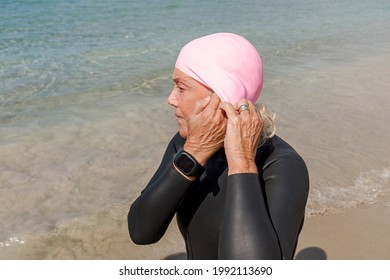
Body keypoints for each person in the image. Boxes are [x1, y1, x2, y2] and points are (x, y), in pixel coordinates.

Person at [128, 33, 309, 260]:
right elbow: (140, 231)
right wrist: (194, 154)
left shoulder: (282, 164)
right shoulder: (185, 145)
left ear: (221, 94)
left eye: (181, 88)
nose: (171, 99)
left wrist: (242, 162)